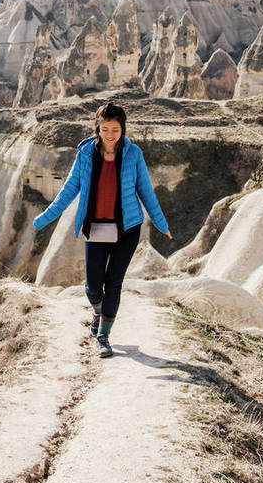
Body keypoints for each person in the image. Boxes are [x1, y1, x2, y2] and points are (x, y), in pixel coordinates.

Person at [32, 101, 172, 358]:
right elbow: (68, 190)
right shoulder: (85, 155)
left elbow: (146, 192)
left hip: (127, 229)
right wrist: (44, 218)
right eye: (105, 128)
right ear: (98, 128)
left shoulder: (133, 154)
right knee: (93, 285)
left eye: (115, 129)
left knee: (114, 283)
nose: (110, 134)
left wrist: (161, 224)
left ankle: (103, 336)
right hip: (95, 228)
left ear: (122, 130)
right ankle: (97, 312)